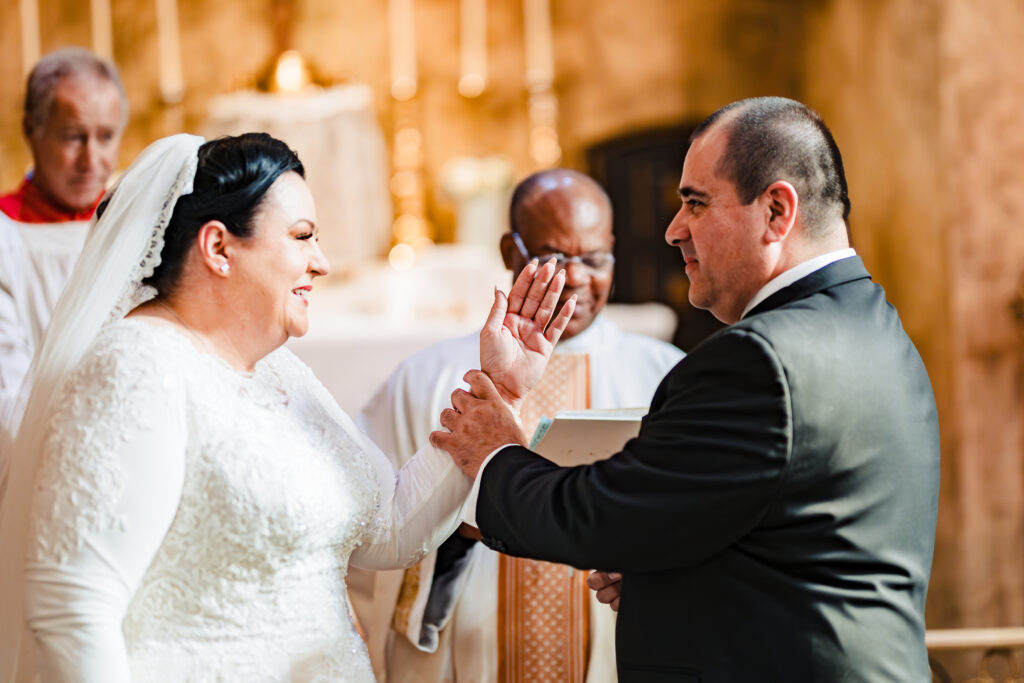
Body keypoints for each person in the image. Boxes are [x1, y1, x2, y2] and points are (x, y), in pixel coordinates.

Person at [0, 132, 574, 682]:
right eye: (302, 236)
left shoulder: (279, 372)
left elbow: (391, 531)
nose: (322, 263)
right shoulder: (136, 368)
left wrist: (498, 386)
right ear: (219, 247)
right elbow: (72, 607)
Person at [432, 97, 941, 682]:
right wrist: (671, 580)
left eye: (695, 203)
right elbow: (807, 539)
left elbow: (602, 515)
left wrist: (497, 453)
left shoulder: (759, 359)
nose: (674, 231)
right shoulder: (880, 327)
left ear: (776, 211)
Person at [351, 169, 683, 683]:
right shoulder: (429, 378)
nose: (574, 277)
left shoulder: (665, 375)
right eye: (554, 258)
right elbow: (364, 533)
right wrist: (452, 530)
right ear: (511, 251)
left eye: (594, 259)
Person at [0, 47, 127, 424]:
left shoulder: (136, 227)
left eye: (105, 137)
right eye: (73, 137)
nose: (91, 161)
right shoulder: (7, 237)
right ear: (30, 129)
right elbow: (10, 394)